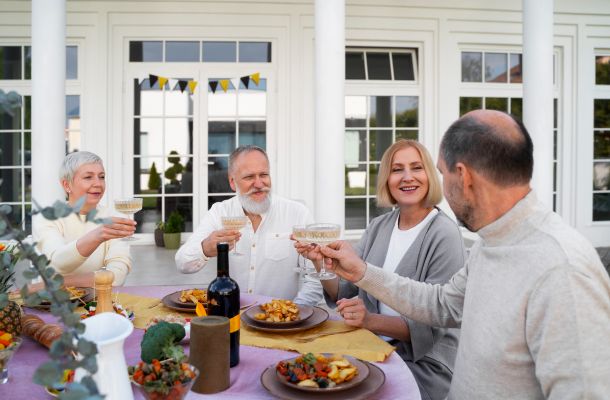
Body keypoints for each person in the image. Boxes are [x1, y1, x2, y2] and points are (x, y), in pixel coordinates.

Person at [319, 110, 610, 399]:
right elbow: (442, 304)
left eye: (441, 173)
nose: (441, 186)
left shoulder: (562, 268)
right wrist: (362, 272)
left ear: (463, 176)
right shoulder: (490, 242)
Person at [297, 140, 464, 400]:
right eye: (397, 169)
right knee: (305, 375)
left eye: (416, 167)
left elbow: (434, 324)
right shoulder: (379, 226)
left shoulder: (444, 234)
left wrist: (369, 321)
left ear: (429, 174)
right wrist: (319, 261)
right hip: (369, 348)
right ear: (387, 178)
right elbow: (344, 291)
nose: (407, 177)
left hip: (420, 364)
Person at [175, 145, 322, 306]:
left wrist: (293, 312)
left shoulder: (297, 213)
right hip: (233, 315)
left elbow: (316, 279)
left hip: (281, 324)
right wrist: (204, 249)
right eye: (249, 177)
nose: (259, 183)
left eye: (264, 175)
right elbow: (182, 263)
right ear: (232, 182)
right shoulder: (220, 212)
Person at [33, 151, 136, 286]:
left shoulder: (114, 218)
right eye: (88, 177)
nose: (98, 183)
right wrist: (96, 236)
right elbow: (58, 263)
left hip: (97, 300)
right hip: (54, 303)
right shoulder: (47, 217)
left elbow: (117, 274)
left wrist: (57, 282)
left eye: (102, 176)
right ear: (66, 185)